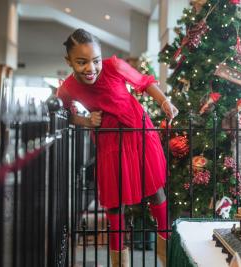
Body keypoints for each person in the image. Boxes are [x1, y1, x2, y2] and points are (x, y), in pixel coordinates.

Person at [57, 28, 178, 267]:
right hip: (109, 142)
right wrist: (86, 120)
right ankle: (119, 262)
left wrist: (165, 101)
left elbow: (144, 83)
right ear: (68, 61)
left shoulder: (114, 66)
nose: (90, 68)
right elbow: (64, 113)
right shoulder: (68, 87)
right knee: (114, 203)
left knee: (156, 190)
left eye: (95, 60)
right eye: (81, 62)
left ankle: (167, 256)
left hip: (138, 134)